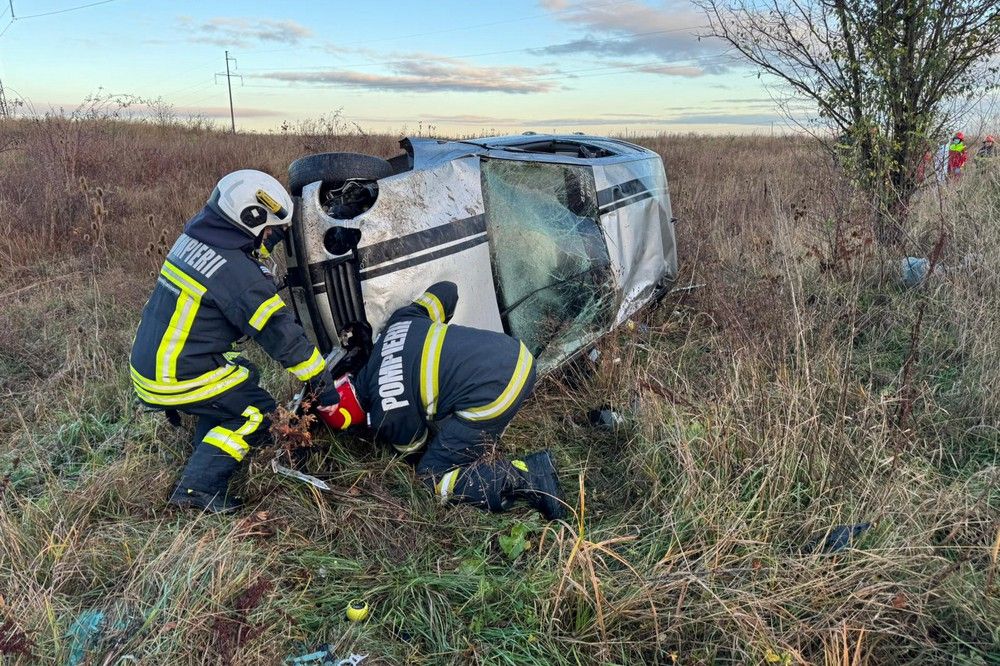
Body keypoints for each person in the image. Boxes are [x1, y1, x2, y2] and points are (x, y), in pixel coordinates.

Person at [129, 170, 338, 512]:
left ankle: (208, 445)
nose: (271, 241)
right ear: (251, 218)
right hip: (176, 375)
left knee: (243, 377)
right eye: (272, 233)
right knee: (257, 413)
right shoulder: (237, 274)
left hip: (153, 364)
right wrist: (321, 383)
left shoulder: (196, 239)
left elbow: (220, 285)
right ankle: (197, 490)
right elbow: (280, 334)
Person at [317, 282, 567, 520]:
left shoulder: (386, 413)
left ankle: (527, 477)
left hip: (497, 392)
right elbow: (447, 291)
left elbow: (417, 450)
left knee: (431, 480)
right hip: (515, 352)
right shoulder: (397, 323)